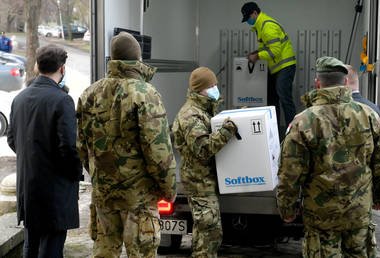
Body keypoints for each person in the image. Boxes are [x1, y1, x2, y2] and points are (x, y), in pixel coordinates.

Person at [276, 56, 380, 257]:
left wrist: (287, 209)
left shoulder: (303, 121)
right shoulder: (368, 115)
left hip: (321, 216)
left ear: (317, 83)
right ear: (346, 82)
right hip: (359, 213)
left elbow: (290, 172)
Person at [76, 32, 177, 257]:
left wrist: (100, 176)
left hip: (104, 197)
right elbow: (158, 152)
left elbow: (82, 147)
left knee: (103, 253)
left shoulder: (89, 94)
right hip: (139, 199)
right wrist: (168, 189)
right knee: (140, 253)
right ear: (138, 60)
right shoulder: (145, 94)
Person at [7, 44, 82, 257]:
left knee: (30, 246)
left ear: (37, 67)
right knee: (51, 249)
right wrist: (76, 174)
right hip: (55, 191)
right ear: (62, 69)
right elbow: (68, 147)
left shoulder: (19, 98)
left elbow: (13, 140)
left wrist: (32, 156)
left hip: (28, 188)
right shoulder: (62, 100)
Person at [172, 67, 238, 258]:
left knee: (209, 232)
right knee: (208, 232)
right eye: (212, 85)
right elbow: (203, 149)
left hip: (205, 180)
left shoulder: (202, 110)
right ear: (201, 89)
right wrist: (228, 131)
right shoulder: (191, 116)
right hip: (198, 181)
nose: (216, 88)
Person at [241, 2, 297, 126]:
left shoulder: (267, 26)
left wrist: (257, 56)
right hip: (276, 68)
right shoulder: (260, 26)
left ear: (255, 13)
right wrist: (257, 52)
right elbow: (267, 47)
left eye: (248, 18)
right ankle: (274, 130)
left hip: (285, 66)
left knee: (285, 99)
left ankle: (292, 133)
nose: (248, 21)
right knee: (272, 100)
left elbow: (275, 51)